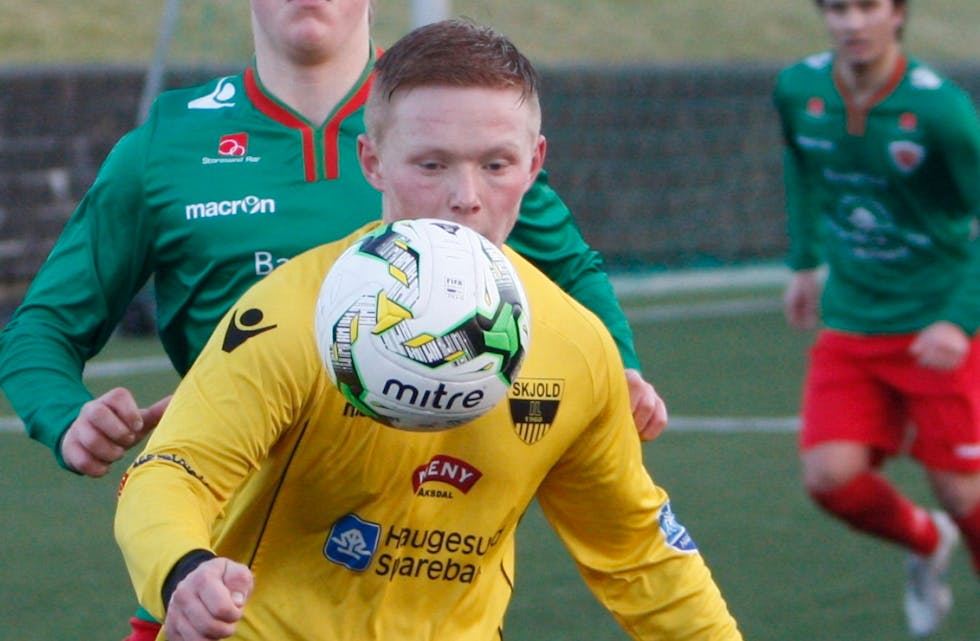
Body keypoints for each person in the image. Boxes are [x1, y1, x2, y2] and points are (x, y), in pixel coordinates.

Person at [0, 4, 667, 638]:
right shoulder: (166, 148)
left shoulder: (447, 131)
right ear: (373, 164)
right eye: (436, 167)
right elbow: (42, 328)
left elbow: (571, 272)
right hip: (221, 569)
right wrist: (66, 416)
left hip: (420, 560)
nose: (465, 188)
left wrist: (622, 367)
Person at [774, 0, 980, 636]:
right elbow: (802, 170)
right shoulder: (799, 88)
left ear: (898, 15)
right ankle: (924, 541)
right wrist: (804, 263)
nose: (851, 23)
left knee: (965, 498)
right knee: (830, 479)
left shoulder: (941, 109)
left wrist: (958, 319)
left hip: (936, 327)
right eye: (837, 8)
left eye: (868, 7)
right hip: (854, 321)